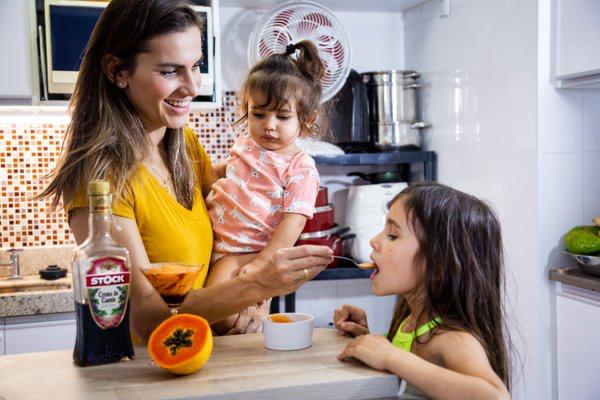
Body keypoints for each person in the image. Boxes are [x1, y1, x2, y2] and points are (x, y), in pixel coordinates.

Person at [37, 0, 332, 342]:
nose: (192, 86)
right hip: (146, 378)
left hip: (201, 361)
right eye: (169, 71)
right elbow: (144, 317)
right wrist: (253, 285)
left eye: (195, 66)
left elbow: (243, 197)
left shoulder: (183, 145)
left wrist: (252, 295)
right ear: (118, 71)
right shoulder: (100, 179)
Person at [333, 183, 512, 400]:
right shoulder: (410, 319)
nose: (374, 241)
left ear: (438, 265)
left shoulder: (451, 339)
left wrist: (390, 356)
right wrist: (368, 342)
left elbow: (496, 397)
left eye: (392, 235)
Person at [204, 40, 325, 334]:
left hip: (246, 252)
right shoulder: (246, 143)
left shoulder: (300, 167)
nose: (269, 125)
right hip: (217, 244)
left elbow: (291, 226)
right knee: (226, 322)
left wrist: (260, 266)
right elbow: (228, 170)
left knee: (221, 319)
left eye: (282, 117)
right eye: (259, 114)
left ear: (306, 119)